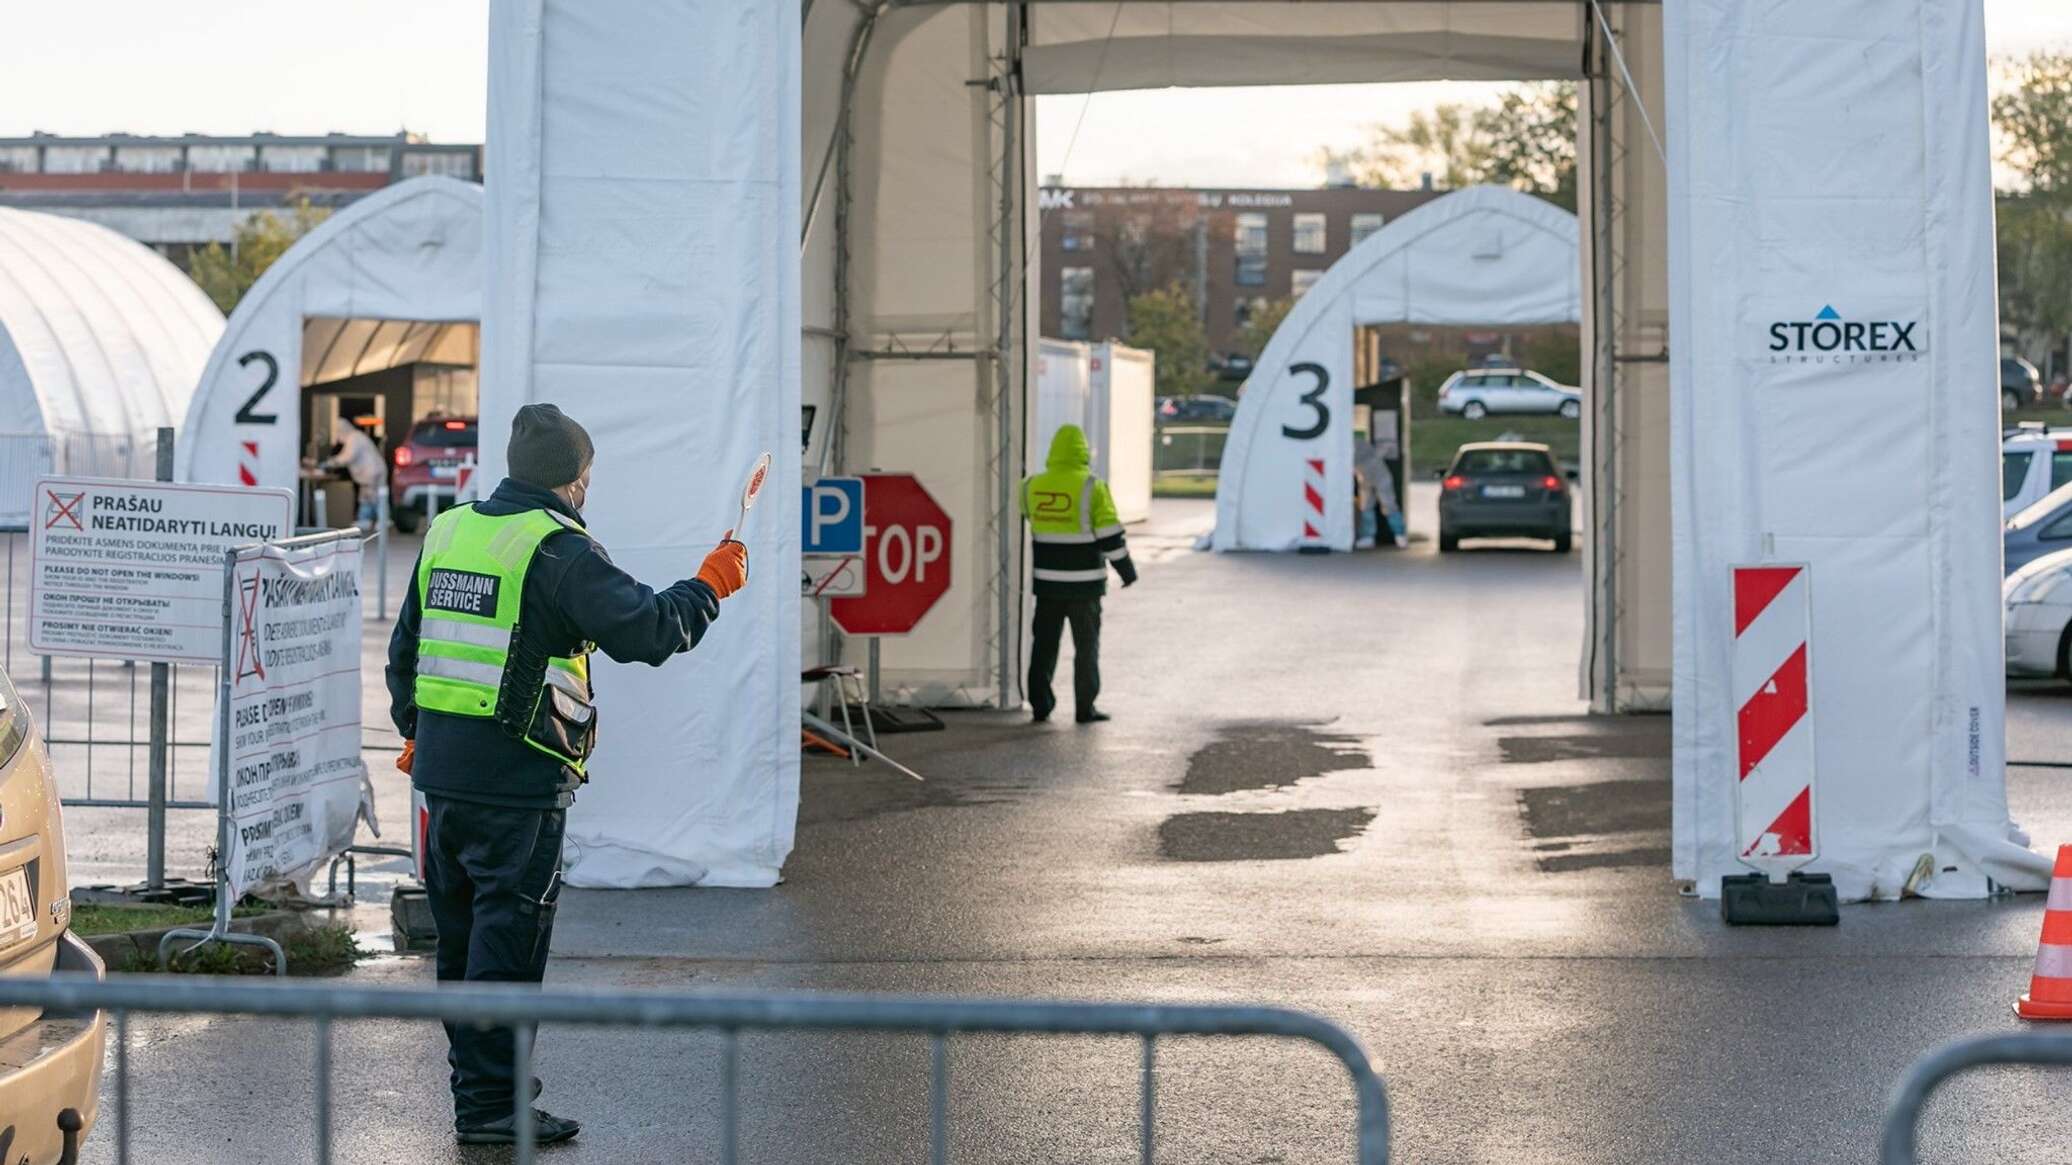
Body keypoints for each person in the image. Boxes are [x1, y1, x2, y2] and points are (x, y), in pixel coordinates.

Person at [385, 404, 750, 1144]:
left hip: (443, 781)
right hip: (518, 785)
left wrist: (415, 731)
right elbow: (649, 630)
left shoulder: (451, 530)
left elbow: (405, 652)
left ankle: (482, 1098)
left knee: (459, 946)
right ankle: (492, 1108)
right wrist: (710, 584)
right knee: (506, 945)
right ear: (575, 481)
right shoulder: (558, 550)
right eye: (587, 477)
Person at [1021, 423, 1136, 724]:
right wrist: (1126, 571)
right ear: (1083, 452)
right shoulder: (1091, 486)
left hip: (1047, 586)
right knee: (1086, 648)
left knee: (1044, 646)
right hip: (1085, 588)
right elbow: (1110, 536)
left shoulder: (1032, 485)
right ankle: (1085, 708)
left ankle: (1040, 705)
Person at [319, 416, 386, 527]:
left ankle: (380, 520)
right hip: (370, 473)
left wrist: (330, 463)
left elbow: (348, 457)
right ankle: (365, 520)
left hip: (372, 472)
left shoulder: (354, 438)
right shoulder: (355, 437)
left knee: (375, 497)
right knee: (367, 497)